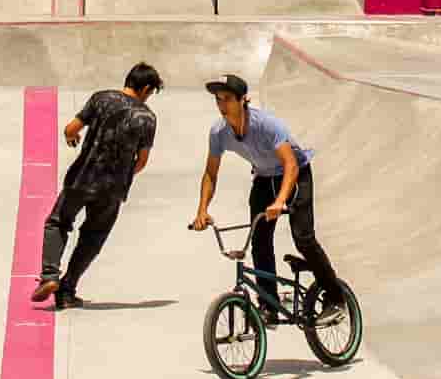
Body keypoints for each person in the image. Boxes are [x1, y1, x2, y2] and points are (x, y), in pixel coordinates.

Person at [190, 73, 346, 314]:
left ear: (243, 100)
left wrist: (280, 201)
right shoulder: (219, 132)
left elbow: (291, 165)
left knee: (303, 237)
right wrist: (202, 210)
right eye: (218, 99)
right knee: (259, 241)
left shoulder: (266, 125)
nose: (222, 105)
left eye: (228, 99)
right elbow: (211, 173)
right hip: (264, 178)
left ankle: (336, 298)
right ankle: (268, 304)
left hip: (296, 174)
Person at [32, 62, 163, 310]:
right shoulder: (148, 118)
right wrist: (123, 174)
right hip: (113, 190)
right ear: (146, 88)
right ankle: (68, 290)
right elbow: (142, 161)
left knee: (58, 222)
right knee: (93, 237)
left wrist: (71, 137)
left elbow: (71, 129)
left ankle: (50, 276)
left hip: (82, 178)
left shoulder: (101, 99)